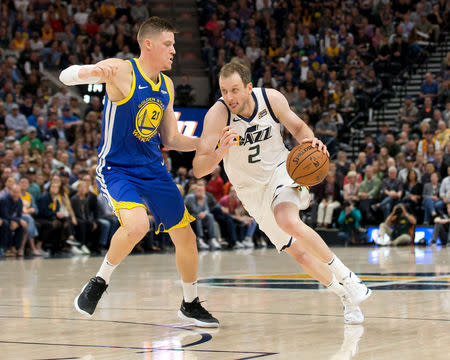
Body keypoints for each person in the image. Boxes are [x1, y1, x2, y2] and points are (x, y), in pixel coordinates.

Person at [59, 17, 218, 327]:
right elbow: (66, 77)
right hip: (117, 169)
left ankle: (190, 302)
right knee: (137, 225)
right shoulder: (121, 70)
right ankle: (99, 282)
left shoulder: (166, 86)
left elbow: (170, 139)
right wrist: (89, 72)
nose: (174, 50)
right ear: (148, 44)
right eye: (168, 44)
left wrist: (206, 144)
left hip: (153, 169)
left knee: (185, 236)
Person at [193, 62, 371, 325]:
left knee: (287, 219)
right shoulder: (216, 116)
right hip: (251, 191)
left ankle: (348, 276)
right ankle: (344, 295)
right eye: (224, 91)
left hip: (282, 170)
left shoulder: (271, 99)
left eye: (235, 90)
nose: (229, 97)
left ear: (249, 88)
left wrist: (310, 141)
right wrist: (219, 153)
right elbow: (198, 168)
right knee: (298, 253)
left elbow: (298, 128)